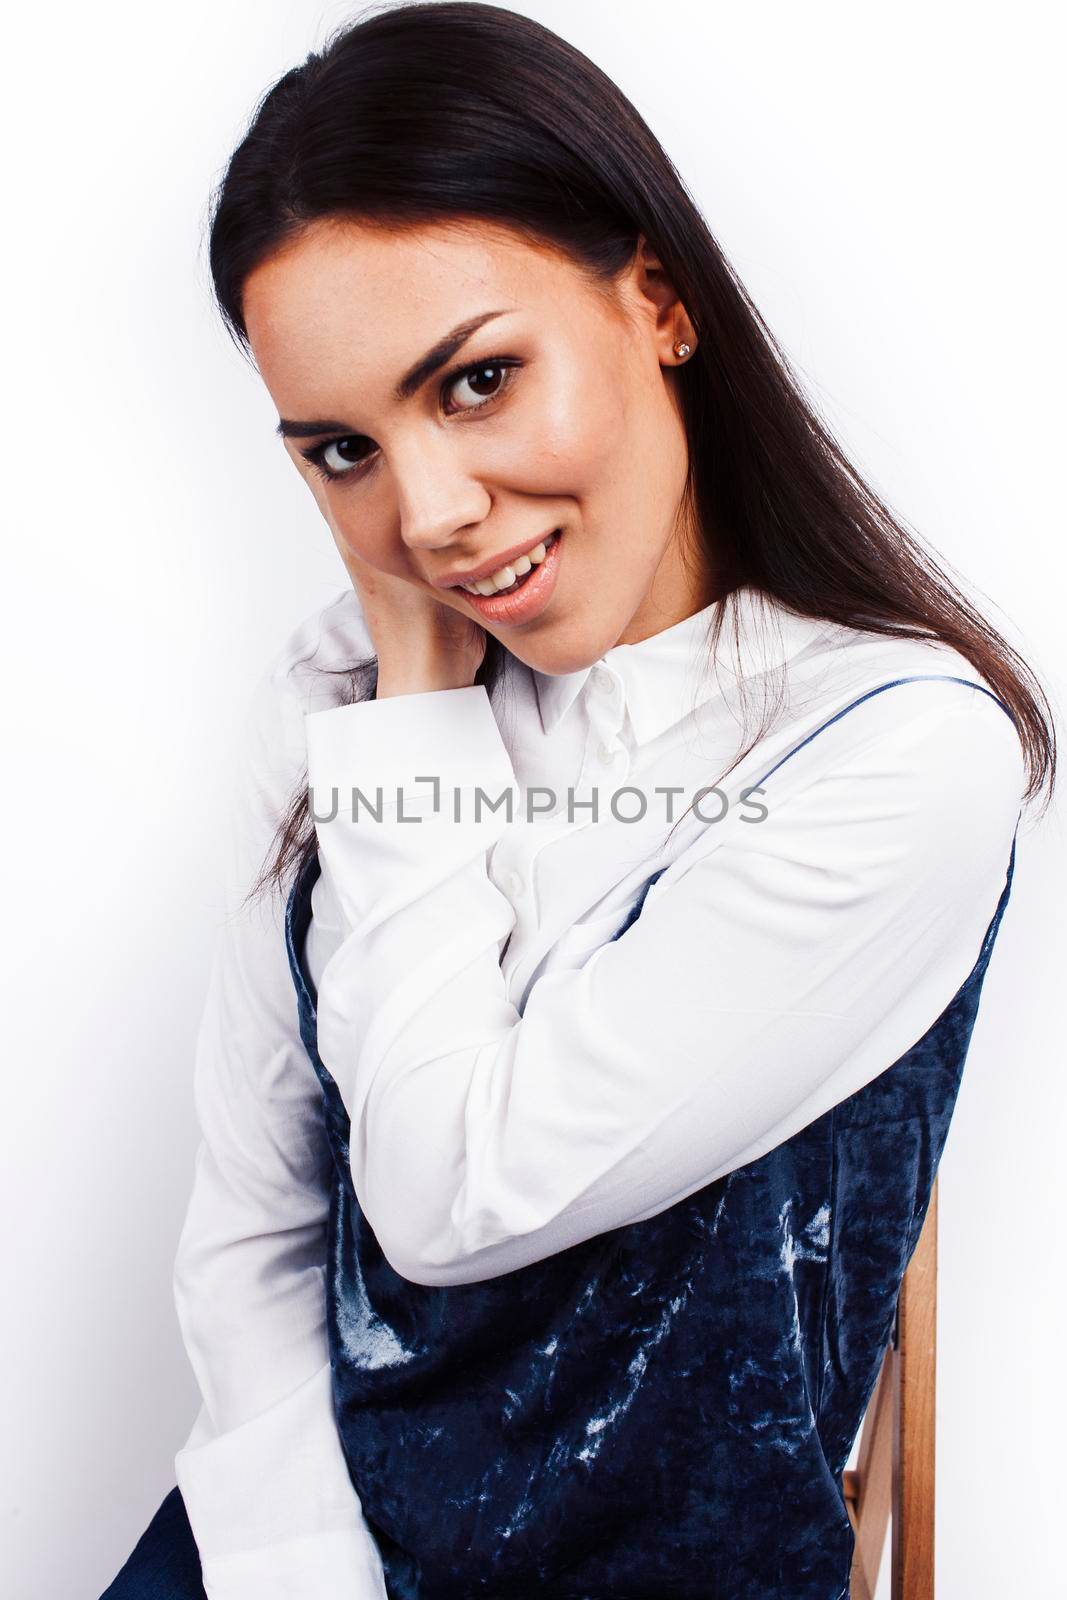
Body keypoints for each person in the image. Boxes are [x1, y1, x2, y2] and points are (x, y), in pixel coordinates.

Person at [101, 4, 1053, 1597]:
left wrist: (414, 708)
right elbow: (256, 1226)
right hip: (285, 1545)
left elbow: (448, 1196)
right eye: (343, 449)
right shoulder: (345, 689)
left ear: (659, 302)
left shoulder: (894, 754)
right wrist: (293, 1573)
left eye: (475, 381)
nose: (431, 519)